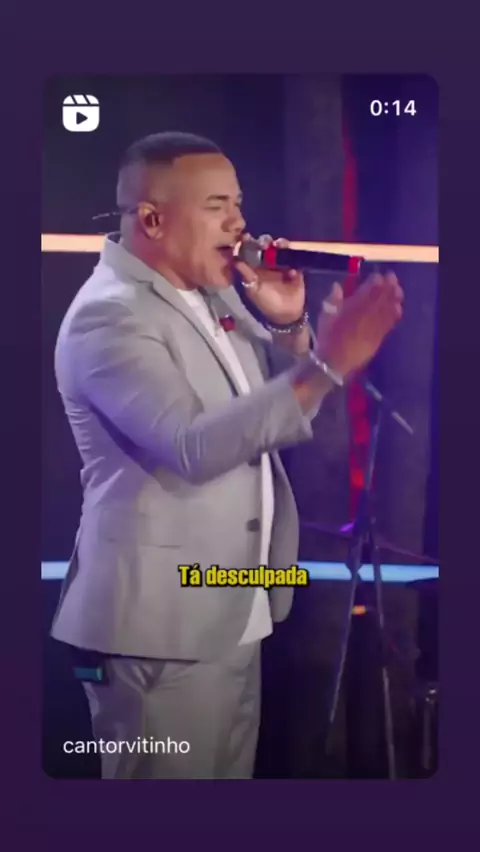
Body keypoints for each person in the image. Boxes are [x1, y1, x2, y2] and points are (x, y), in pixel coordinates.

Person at [50, 131, 403, 779]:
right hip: (158, 632)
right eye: (217, 206)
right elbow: (193, 445)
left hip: (230, 614)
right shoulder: (109, 318)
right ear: (152, 219)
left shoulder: (211, 296)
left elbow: (259, 420)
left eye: (237, 203)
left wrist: (290, 328)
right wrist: (328, 363)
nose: (239, 223)